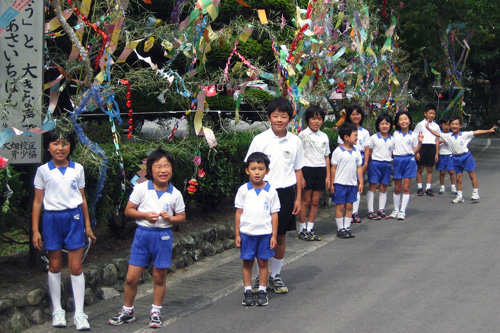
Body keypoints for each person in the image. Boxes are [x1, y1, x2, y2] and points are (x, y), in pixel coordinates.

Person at [109, 148, 186, 328]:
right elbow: (129, 210)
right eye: (158, 166)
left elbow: (181, 217)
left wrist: (170, 218)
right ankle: (128, 311)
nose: (163, 170)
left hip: (163, 237)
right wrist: (144, 215)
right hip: (142, 235)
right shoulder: (141, 188)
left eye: (167, 166)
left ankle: (155, 312)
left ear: (172, 169)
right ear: (150, 169)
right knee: (131, 278)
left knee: (159, 278)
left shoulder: (175, 193)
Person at [32, 129, 96, 331]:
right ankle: (57, 310)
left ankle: (79, 313)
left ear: (71, 146)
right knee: (55, 266)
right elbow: (37, 202)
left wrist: (87, 225)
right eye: (56, 144)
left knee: (76, 267)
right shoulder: (43, 171)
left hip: (74, 218)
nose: (61, 148)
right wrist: (35, 230)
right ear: (48, 147)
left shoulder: (78, 169)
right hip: (52, 220)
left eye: (65, 143)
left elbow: (83, 198)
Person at [245, 96, 305, 294]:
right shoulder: (260, 140)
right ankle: (260, 275)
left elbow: (298, 171)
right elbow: (250, 167)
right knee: (260, 236)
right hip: (262, 193)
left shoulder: (295, 141)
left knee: (280, 236)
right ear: (269, 118)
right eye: (275, 115)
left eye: (284, 116)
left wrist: (297, 198)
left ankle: (275, 275)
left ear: (290, 119)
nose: (279, 120)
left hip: (286, 193)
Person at [235, 152, 280, 306]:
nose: (257, 172)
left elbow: (274, 214)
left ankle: (262, 290)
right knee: (247, 262)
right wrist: (237, 234)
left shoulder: (271, 191)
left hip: (265, 234)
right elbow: (238, 213)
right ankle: (248, 290)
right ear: (247, 170)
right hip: (247, 234)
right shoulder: (243, 190)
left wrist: (274, 235)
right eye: (253, 168)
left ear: (267, 171)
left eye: (261, 169)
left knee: (263, 262)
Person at [425, 116, 498, 203]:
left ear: (460, 126)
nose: (454, 126)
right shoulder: (448, 136)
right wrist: (428, 127)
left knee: (471, 175)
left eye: (456, 124)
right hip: (456, 158)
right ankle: (459, 196)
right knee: (458, 178)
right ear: (450, 126)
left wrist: (489, 130)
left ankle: (475, 193)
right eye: (452, 124)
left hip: (466, 157)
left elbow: (477, 132)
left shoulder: (465, 135)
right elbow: (437, 134)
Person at [297, 105, 331, 241]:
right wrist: (302, 177)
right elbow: (298, 157)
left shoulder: (324, 136)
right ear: (307, 120)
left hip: (320, 169)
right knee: (305, 201)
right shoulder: (302, 136)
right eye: (313, 118)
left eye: (319, 119)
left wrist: (328, 176)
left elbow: (326, 156)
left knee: (315, 201)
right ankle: (302, 228)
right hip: (307, 169)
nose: (316, 122)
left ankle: (310, 228)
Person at [337, 105, 370, 223]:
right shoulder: (344, 130)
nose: (355, 117)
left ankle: (354, 212)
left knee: (357, 186)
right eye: (353, 114)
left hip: (359, 160)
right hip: (347, 161)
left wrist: (365, 163)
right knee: (347, 185)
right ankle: (346, 213)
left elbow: (367, 149)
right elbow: (340, 148)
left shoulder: (365, 132)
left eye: (358, 114)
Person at [330, 123, 364, 238]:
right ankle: (340, 229)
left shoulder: (356, 152)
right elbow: (333, 168)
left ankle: (347, 227)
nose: (357, 137)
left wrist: (361, 182)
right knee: (340, 206)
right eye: (354, 135)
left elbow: (359, 167)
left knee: (349, 206)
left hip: (352, 184)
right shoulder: (338, 151)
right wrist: (332, 182)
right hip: (340, 183)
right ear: (346, 137)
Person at [389, 111, 423, 220]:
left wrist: (420, 143)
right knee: (397, 187)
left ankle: (402, 210)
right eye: (401, 119)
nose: (404, 121)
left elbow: (415, 151)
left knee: (406, 187)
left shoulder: (413, 135)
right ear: (398, 123)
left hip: (409, 160)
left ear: (409, 121)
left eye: (405, 119)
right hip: (398, 160)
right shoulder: (395, 134)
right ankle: (395, 209)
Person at [365, 113, 394, 220]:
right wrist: (367, 164)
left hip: (387, 164)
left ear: (390, 125)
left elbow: (393, 152)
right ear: (378, 125)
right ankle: (370, 210)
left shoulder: (392, 139)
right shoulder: (373, 138)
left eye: (387, 123)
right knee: (372, 186)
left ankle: (381, 209)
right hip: (375, 164)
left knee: (384, 187)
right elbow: (369, 151)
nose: (384, 126)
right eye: (382, 124)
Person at [414, 104, 440, 196]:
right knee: (420, 168)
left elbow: (437, 140)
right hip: (422, 147)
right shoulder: (420, 125)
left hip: (431, 148)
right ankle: (419, 187)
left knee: (430, 169)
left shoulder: (436, 126)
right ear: (425, 114)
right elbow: (415, 138)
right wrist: (416, 152)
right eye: (430, 113)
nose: (432, 115)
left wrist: (437, 153)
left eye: (433, 113)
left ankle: (428, 188)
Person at [435, 115, 457, 195]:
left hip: (450, 155)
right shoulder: (439, 134)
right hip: (441, 154)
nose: (446, 127)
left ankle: (453, 187)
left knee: (451, 171)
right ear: (441, 125)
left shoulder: (452, 134)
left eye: (448, 125)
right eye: (445, 125)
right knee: (442, 172)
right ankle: (442, 187)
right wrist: (442, 141)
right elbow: (436, 143)